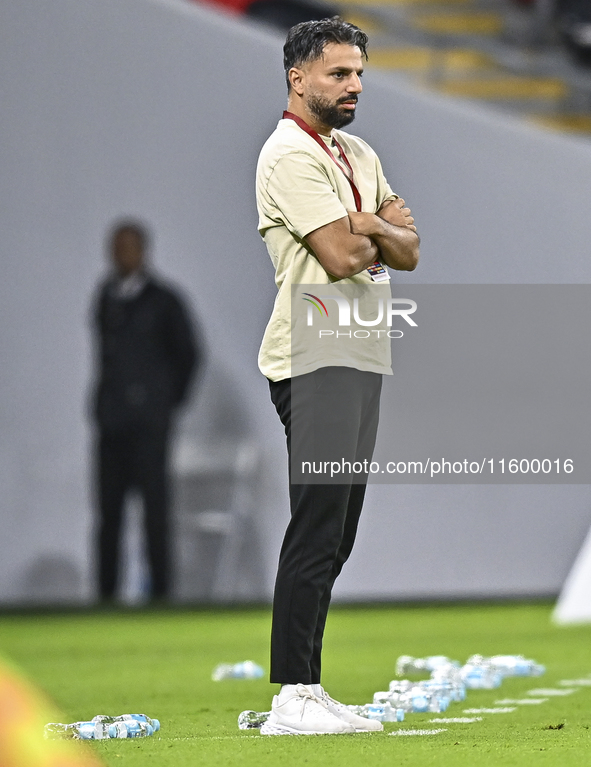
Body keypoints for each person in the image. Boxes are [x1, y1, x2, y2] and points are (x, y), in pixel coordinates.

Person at [255, 17, 419, 735]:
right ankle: (291, 693)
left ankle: (307, 687)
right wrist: (374, 225)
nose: (354, 86)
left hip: (359, 351)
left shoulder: (355, 150)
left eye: (358, 73)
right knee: (318, 523)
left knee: (340, 528)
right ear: (298, 78)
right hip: (314, 354)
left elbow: (408, 251)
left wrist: (372, 225)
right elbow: (343, 256)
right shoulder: (288, 155)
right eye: (338, 74)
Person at [91, 221, 200, 603]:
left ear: (143, 251)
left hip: (149, 427)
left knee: (155, 515)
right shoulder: (105, 297)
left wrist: (165, 403)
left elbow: (189, 355)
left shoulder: (164, 301)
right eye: (115, 247)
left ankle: (162, 597)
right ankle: (105, 597)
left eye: (128, 247)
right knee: (108, 517)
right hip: (112, 424)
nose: (121, 255)